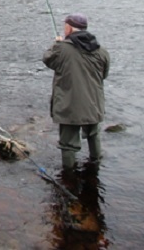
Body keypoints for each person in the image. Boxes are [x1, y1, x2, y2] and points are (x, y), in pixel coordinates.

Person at [42, 13, 110, 170]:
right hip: (94, 105)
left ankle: (69, 176)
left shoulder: (61, 49)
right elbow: (103, 76)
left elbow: (47, 59)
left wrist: (56, 43)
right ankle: (95, 167)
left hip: (69, 106)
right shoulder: (102, 51)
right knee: (93, 135)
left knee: (68, 144)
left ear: (69, 28)